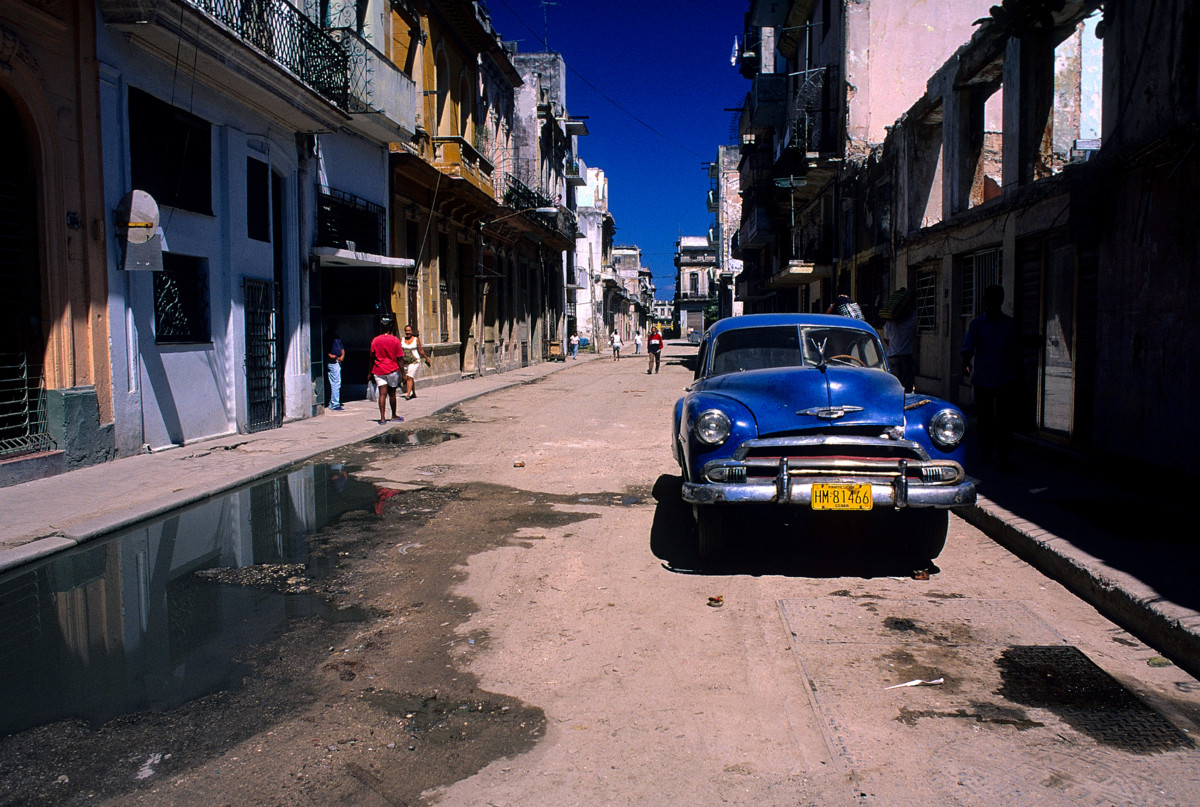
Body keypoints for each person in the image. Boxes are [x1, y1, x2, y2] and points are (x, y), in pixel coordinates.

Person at [961, 285, 1022, 468]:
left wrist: (1019, 375)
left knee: (1005, 421)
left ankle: (1004, 456)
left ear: (1000, 301)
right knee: (985, 419)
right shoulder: (977, 324)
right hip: (983, 378)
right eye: (989, 300)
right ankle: (986, 452)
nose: (991, 304)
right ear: (985, 302)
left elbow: (1016, 352)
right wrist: (966, 364)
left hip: (1005, 378)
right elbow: (967, 347)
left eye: (995, 300)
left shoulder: (1009, 325)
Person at [369, 317, 405, 425]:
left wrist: (369, 372)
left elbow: (371, 357)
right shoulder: (395, 340)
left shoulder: (375, 340)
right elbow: (399, 358)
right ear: (391, 327)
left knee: (382, 394)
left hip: (378, 370)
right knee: (392, 394)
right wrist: (403, 373)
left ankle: (382, 418)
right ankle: (393, 415)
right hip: (392, 369)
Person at [881, 288, 917, 392]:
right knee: (907, 388)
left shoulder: (889, 323)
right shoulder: (912, 319)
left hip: (891, 357)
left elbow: (886, 339)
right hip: (905, 357)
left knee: (894, 387)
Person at [400, 324, 431, 400]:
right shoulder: (402, 339)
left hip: (415, 361)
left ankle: (408, 394)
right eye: (406, 331)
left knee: (409, 377)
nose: (408, 332)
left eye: (409, 330)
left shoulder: (416, 339)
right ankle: (413, 392)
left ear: (412, 331)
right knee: (411, 377)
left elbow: (420, 350)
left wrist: (426, 358)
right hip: (406, 361)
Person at [326, 325, 345, 410]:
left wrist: (342, 356)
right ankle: (335, 403)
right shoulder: (327, 336)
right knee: (336, 383)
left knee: (337, 382)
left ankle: (333, 402)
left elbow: (342, 348)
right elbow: (325, 349)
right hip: (332, 362)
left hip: (338, 361)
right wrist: (330, 355)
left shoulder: (336, 336)